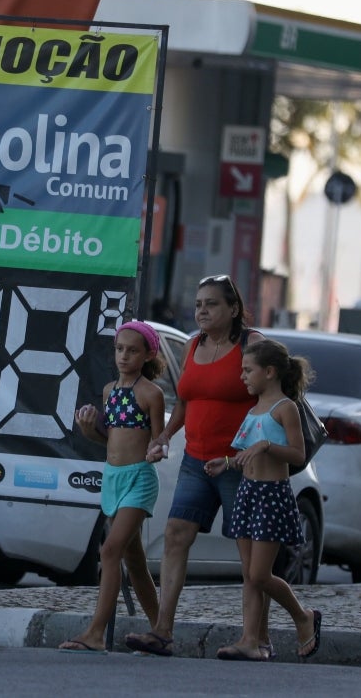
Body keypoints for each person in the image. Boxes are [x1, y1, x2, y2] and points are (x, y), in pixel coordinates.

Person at [125, 274, 267, 658]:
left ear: (233, 309)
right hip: (196, 460)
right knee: (175, 534)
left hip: (240, 464)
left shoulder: (252, 344)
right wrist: (164, 435)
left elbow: (273, 398)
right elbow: (187, 403)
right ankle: (162, 632)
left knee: (250, 554)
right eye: (198, 304)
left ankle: (256, 640)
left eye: (212, 304)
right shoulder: (193, 345)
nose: (202, 311)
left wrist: (253, 451)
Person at [204, 338, 322, 660]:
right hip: (248, 492)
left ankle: (303, 617)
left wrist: (267, 446)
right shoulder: (253, 409)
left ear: (269, 372)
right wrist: (226, 463)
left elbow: (297, 454)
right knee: (249, 575)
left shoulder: (285, 408)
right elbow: (247, 453)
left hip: (271, 495)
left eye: (248, 370)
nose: (242, 376)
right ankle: (252, 640)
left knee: (259, 574)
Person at [59, 320, 166, 653]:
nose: (124, 356)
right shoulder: (109, 391)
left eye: (132, 351)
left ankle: (95, 633)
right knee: (135, 563)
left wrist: (158, 448)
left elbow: (158, 440)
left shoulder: (151, 394)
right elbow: (108, 440)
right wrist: (88, 428)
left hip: (139, 479)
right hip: (113, 478)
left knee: (109, 551)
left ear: (148, 355)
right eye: (119, 349)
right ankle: (161, 631)